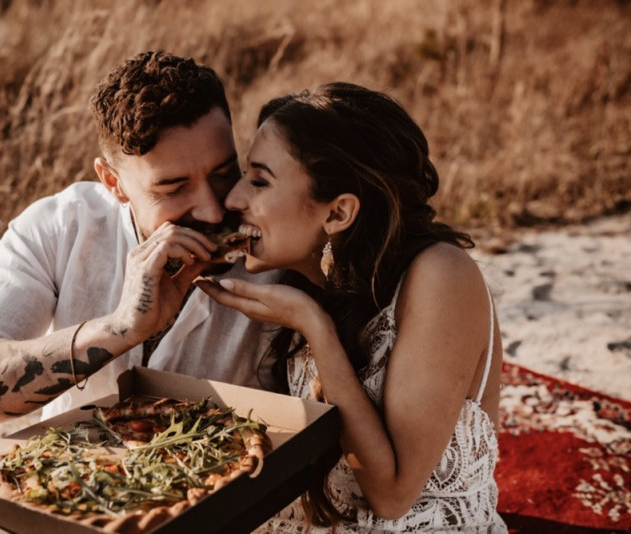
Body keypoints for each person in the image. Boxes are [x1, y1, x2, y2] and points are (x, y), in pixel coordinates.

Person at [196, 82, 508, 532]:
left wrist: (314, 326)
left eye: (260, 180)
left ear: (338, 213)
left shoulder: (442, 277)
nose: (233, 199)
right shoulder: (304, 276)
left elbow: (393, 496)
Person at [0, 51, 279, 432]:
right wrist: (118, 328)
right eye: (174, 188)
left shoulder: (280, 238)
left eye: (224, 172)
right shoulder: (60, 227)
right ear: (114, 183)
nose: (210, 210)